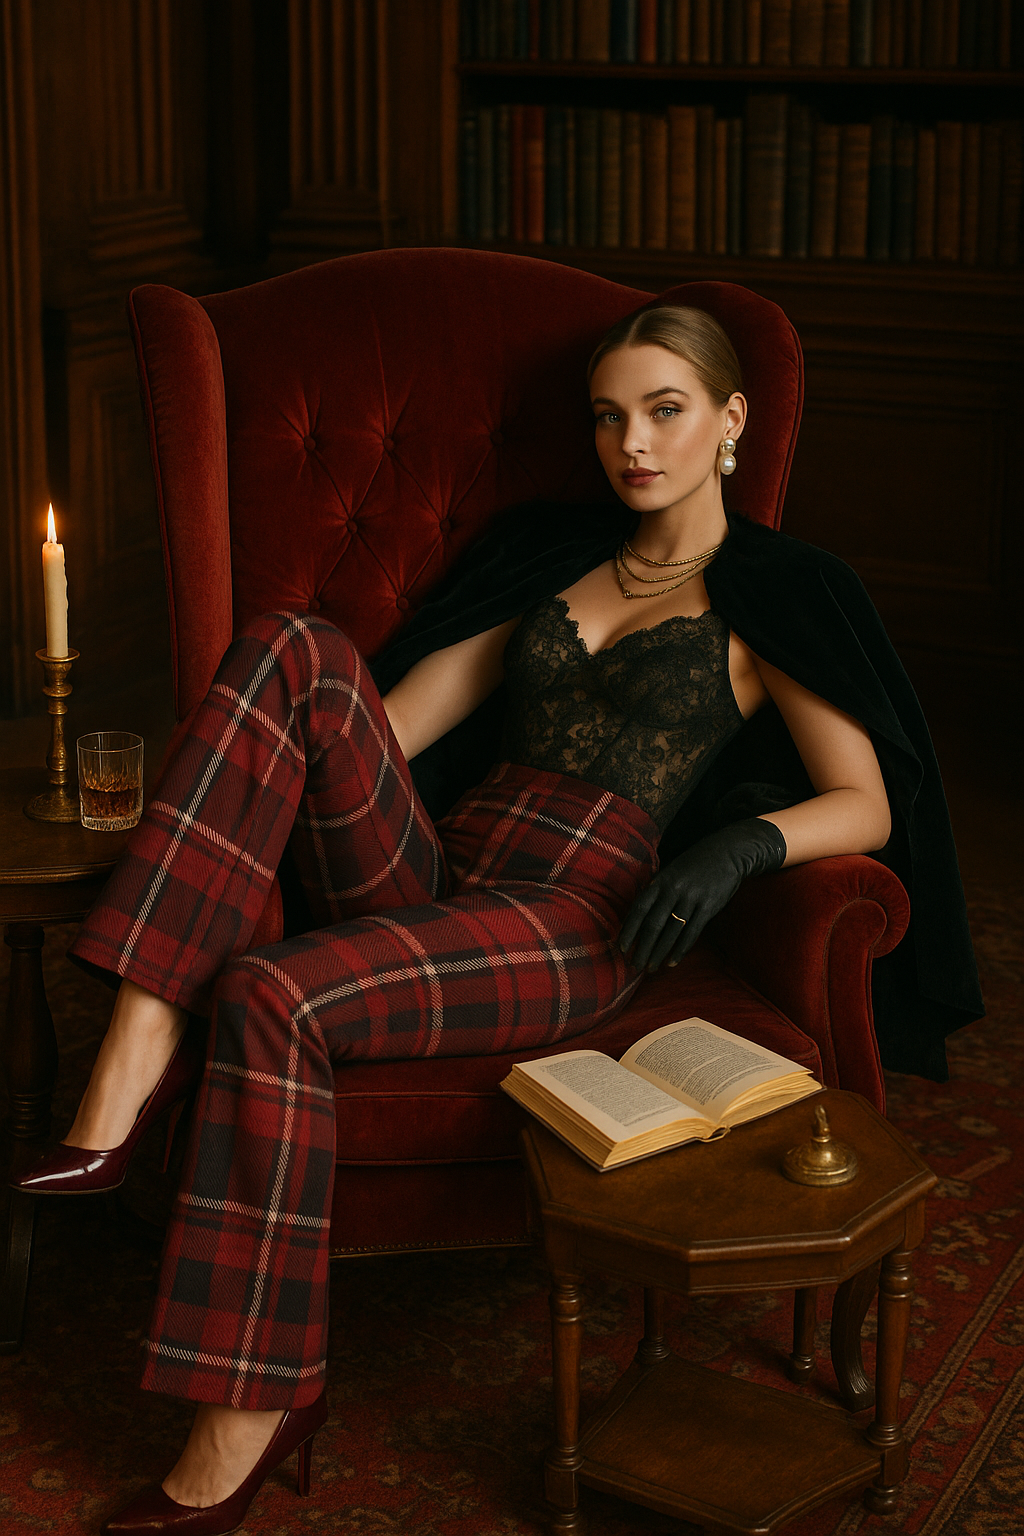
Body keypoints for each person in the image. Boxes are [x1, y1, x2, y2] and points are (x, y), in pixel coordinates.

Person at [12, 304, 953, 1535]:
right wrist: (241, 786)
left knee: (268, 991)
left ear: (729, 421)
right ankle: (135, 1051)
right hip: (438, 865)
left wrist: (734, 847)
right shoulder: (550, 557)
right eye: (610, 415)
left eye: (665, 410)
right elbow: (381, 732)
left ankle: (245, 1416)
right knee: (289, 643)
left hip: (572, 915)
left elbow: (866, 802)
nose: (633, 442)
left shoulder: (777, 593)